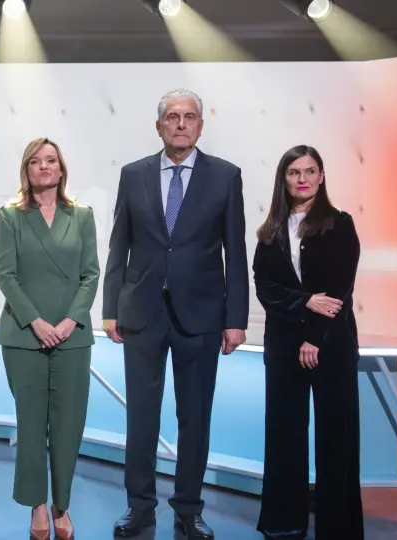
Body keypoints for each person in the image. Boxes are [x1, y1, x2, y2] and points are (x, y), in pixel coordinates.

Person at [101, 89, 248, 540]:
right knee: (140, 417)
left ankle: (189, 508)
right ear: (159, 125)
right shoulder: (134, 174)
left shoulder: (225, 176)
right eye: (172, 117)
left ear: (200, 126)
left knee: (195, 418)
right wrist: (110, 309)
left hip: (202, 317)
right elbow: (119, 245)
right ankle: (139, 507)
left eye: (189, 117)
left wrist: (236, 317)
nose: (180, 124)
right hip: (141, 314)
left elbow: (235, 252)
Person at [253, 146, 364, 540]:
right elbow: (265, 286)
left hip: (331, 346)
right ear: (283, 178)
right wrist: (303, 304)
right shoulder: (269, 231)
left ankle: (340, 528)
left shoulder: (340, 224)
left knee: (337, 436)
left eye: (310, 171)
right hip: (283, 347)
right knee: (284, 434)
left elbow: (339, 290)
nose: (303, 178)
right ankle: (284, 521)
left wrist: (313, 338)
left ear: (321, 176)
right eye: (294, 172)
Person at [0, 138, 100, 540]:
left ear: (61, 169)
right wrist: (36, 322)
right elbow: (7, 276)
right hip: (25, 337)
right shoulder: (10, 216)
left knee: (68, 425)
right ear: (27, 169)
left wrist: (72, 320)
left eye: (50, 160)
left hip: (72, 338)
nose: (43, 167)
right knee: (32, 424)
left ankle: (62, 505)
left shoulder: (83, 216)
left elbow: (91, 273)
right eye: (35, 161)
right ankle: (38, 506)